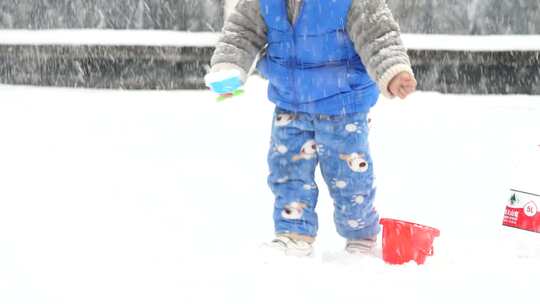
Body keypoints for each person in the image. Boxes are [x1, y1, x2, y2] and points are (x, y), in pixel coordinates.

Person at [205, 0, 417, 256]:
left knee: (349, 178)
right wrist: (229, 67)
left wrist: (393, 71)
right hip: (290, 102)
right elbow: (242, 32)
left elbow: (379, 35)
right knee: (287, 170)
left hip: (342, 103)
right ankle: (294, 232)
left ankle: (360, 232)